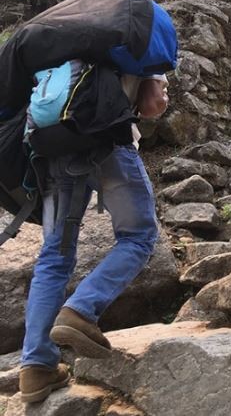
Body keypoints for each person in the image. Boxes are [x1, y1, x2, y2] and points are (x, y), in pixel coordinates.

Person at [18, 74, 169, 404]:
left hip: (54, 149)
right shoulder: (129, 33)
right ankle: (80, 310)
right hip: (110, 145)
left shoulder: (56, 43)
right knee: (139, 237)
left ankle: (35, 366)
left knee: (54, 255)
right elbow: (152, 104)